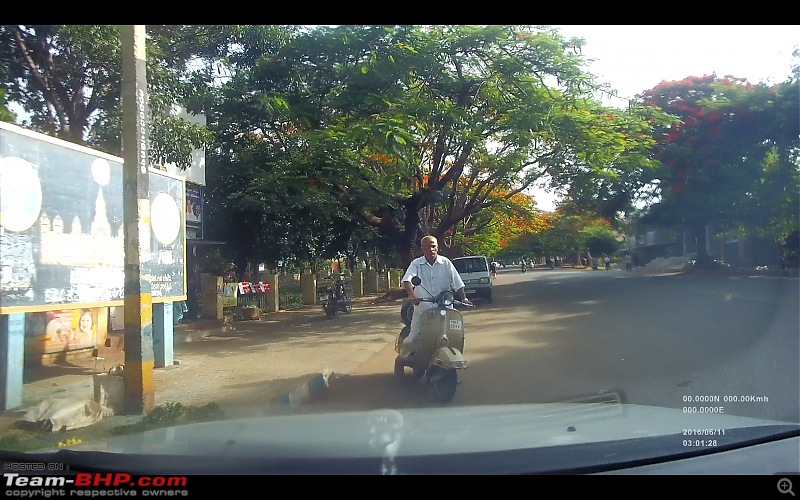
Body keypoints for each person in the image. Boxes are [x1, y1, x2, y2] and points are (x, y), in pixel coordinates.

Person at [400, 235, 471, 360]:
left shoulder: (446, 263)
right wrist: (412, 295)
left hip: (446, 309)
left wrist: (464, 298)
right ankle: (405, 358)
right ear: (422, 249)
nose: (431, 249)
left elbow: (457, 283)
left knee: (455, 334)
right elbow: (407, 280)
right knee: (413, 337)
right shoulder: (416, 264)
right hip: (423, 309)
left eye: (433, 246)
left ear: (438, 247)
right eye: (427, 247)